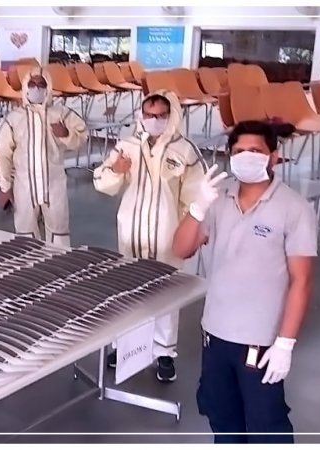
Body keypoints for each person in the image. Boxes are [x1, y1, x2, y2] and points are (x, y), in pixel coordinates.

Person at [171, 120, 316, 444]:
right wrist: (197, 207)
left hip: (260, 343)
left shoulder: (294, 208)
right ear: (228, 155)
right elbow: (181, 249)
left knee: (266, 425)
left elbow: (302, 280)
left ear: (274, 157)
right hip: (215, 334)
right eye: (239, 152)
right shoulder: (218, 200)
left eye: (256, 151)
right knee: (221, 416)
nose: (246, 157)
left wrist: (285, 344)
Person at [93, 90, 207, 383]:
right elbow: (103, 182)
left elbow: (195, 196)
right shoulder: (127, 146)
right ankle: (123, 345)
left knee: (165, 291)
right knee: (127, 289)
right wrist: (116, 170)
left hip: (166, 234)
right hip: (130, 231)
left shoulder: (185, 151)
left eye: (161, 115)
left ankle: (164, 352)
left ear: (171, 116)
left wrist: (194, 232)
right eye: (149, 114)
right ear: (140, 115)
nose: (154, 121)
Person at [0, 66, 88, 246]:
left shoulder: (60, 113)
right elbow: (2, 150)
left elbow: (82, 135)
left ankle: (58, 267)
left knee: (58, 229)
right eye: (32, 84)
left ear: (48, 87)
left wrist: (66, 134)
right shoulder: (14, 118)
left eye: (41, 84)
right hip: (24, 185)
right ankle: (29, 269)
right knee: (25, 231)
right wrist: (4, 185)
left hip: (54, 183)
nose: (36, 88)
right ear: (25, 87)